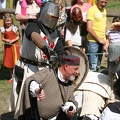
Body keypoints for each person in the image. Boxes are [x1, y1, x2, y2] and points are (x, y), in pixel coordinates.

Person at [9, 2, 65, 119]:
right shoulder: (33, 25)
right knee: (23, 104)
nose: (52, 19)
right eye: (51, 16)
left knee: (41, 102)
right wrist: (47, 49)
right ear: (43, 14)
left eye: (55, 18)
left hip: (44, 71)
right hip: (28, 68)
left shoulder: (56, 34)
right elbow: (34, 36)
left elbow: (61, 53)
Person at [16, 54, 80, 120]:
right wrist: (37, 90)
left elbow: (70, 99)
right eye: (75, 69)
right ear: (66, 66)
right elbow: (31, 80)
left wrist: (69, 109)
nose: (77, 72)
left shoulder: (70, 82)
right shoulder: (48, 73)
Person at [86, 0, 108, 72]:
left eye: (105, 2)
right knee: (93, 65)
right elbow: (89, 28)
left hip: (102, 41)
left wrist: (105, 40)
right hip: (93, 42)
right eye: (102, 2)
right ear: (97, 1)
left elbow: (104, 26)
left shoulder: (104, 11)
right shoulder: (92, 10)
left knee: (98, 64)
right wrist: (98, 39)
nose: (104, 4)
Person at [0, 13, 20, 83]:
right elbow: (2, 38)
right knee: (9, 62)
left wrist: (13, 40)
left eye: (9, 21)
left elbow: (18, 36)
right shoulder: (3, 29)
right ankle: (11, 76)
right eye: (7, 21)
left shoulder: (14, 28)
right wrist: (7, 40)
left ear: (12, 21)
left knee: (15, 61)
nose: (8, 23)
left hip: (14, 47)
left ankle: (17, 76)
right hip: (8, 47)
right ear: (4, 21)